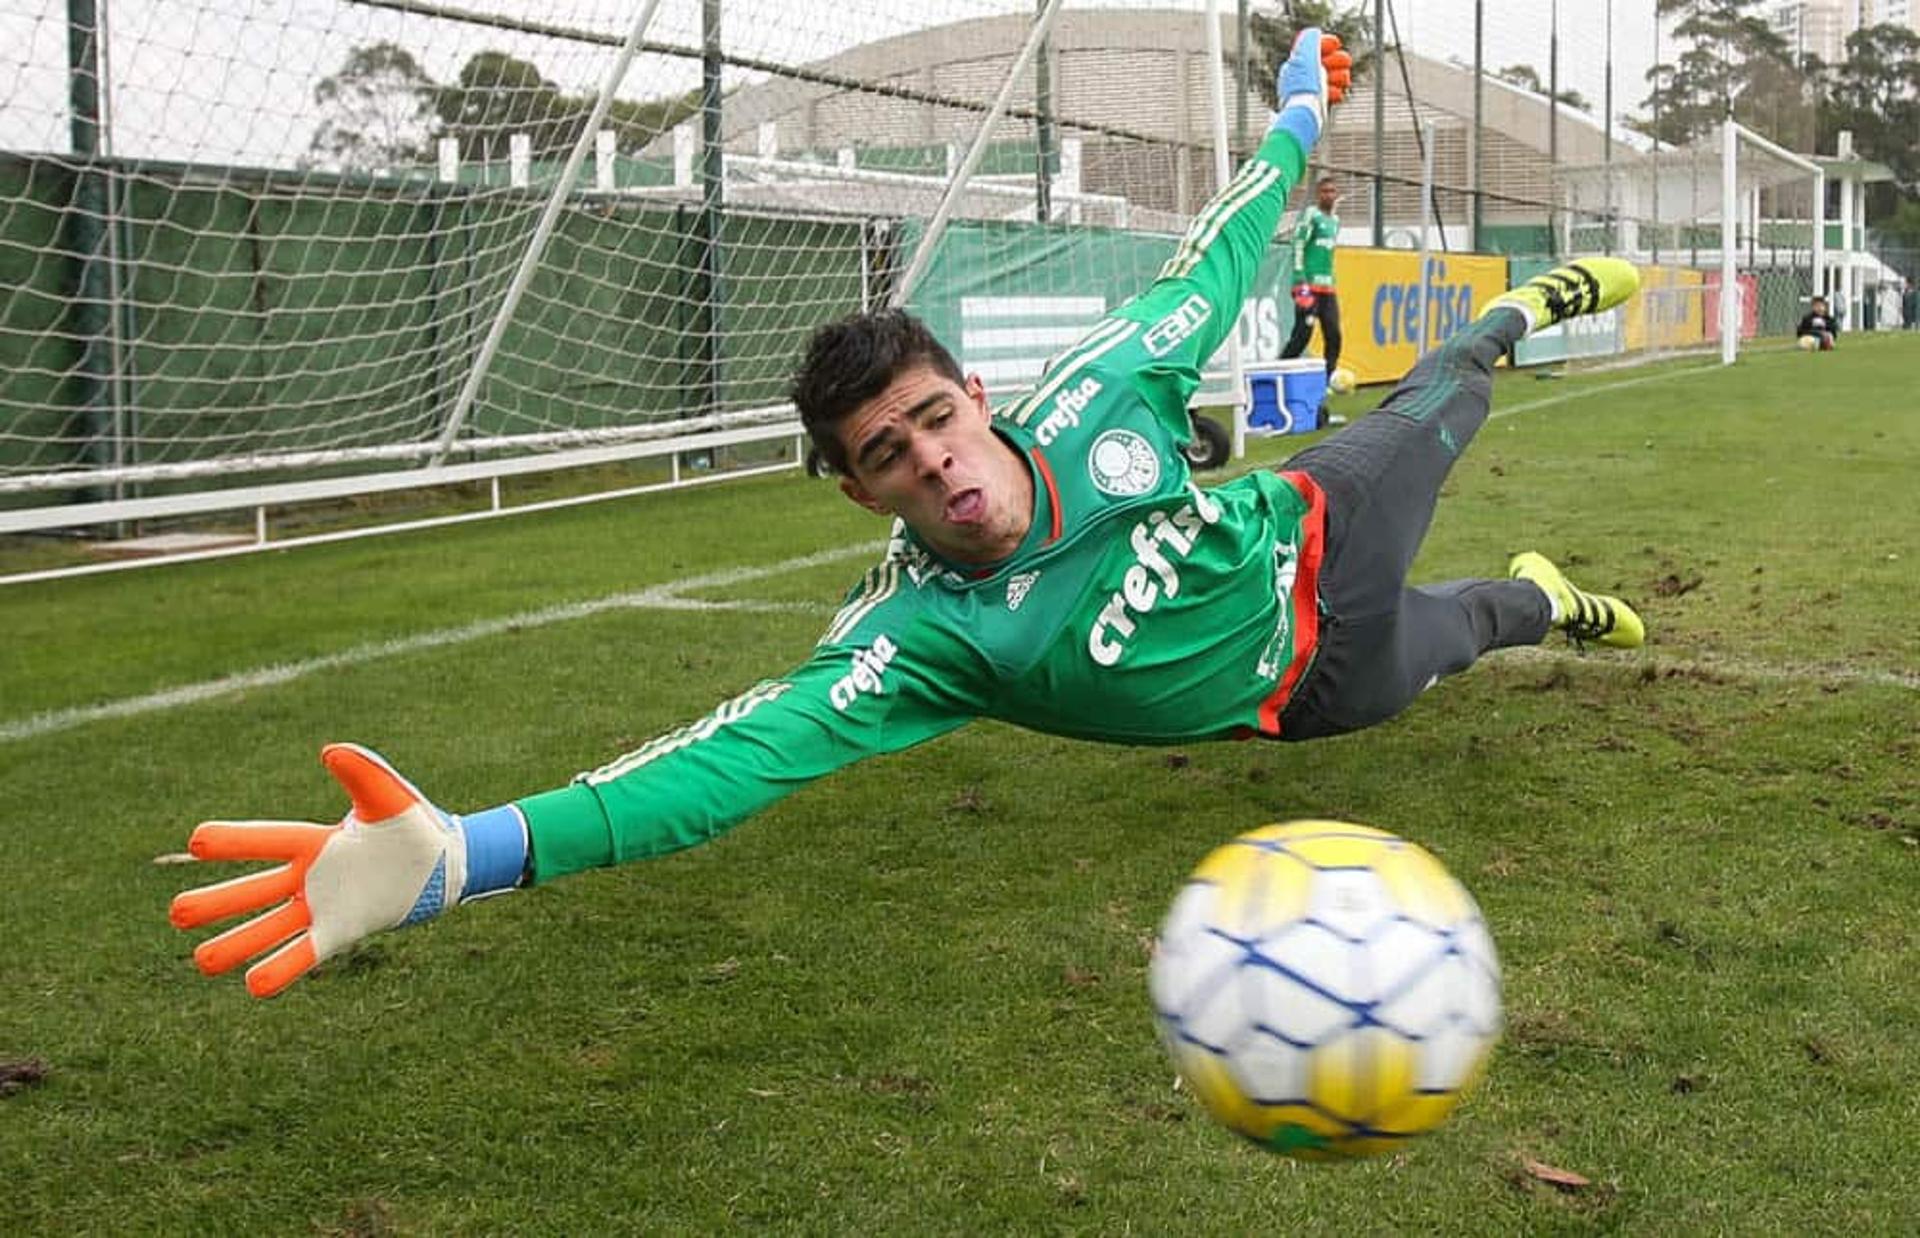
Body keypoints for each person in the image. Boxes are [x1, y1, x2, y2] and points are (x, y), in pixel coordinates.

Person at [169, 30, 1644, 1000]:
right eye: (887, 453)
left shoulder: (1107, 386)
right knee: (1472, 629)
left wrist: (1303, 115)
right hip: (1300, 690)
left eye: (937, 419)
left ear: (977, 395)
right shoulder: (915, 640)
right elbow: (719, 765)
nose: (934, 463)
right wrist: (464, 854)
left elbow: (1229, 239)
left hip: (1308, 523)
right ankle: (1551, 601)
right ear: (856, 486)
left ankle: (1522, 306)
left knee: (1441, 399)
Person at [1280, 175, 1344, 393]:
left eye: (1332, 191)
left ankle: (1326, 381)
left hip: (1328, 288)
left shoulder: (1335, 221)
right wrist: (1300, 278)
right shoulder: (1311, 215)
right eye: (1325, 191)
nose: (1329, 195)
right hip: (1308, 287)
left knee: (1334, 334)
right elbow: (1298, 244)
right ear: (1318, 195)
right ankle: (1280, 372)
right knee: (1302, 334)